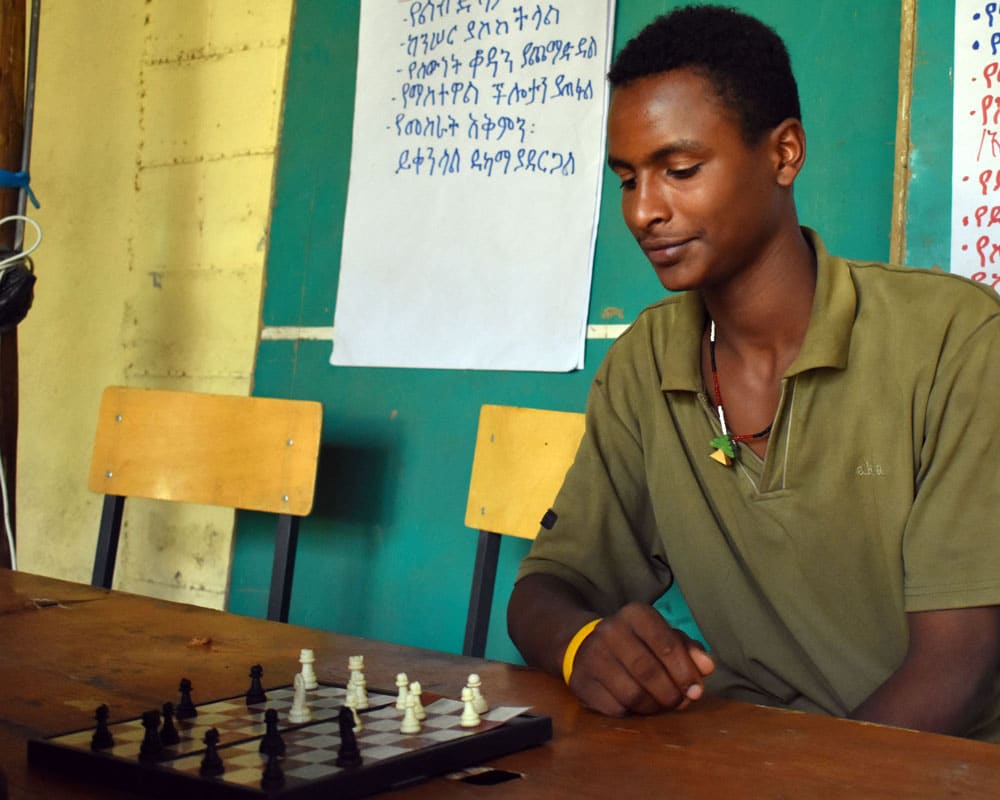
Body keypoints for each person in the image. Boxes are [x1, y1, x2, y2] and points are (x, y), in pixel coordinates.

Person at [507, 4, 1000, 741]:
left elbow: (956, 668)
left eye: (678, 170)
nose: (645, 211)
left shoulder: (955, 343)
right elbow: (546, 589)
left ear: (784, 154)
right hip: (743, 753)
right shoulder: (644, 364)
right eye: (627, 179)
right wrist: (585, 646)